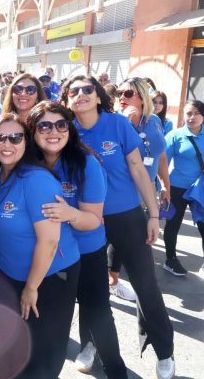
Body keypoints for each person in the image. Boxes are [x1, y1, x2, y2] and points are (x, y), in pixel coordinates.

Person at [62, 75, 176, 379]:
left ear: (99, 96)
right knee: (91, 289)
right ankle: (90, 344)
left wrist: (153, 215)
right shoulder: (65, 129)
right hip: (87, 218)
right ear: (67, 99)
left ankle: (165, 351)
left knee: (145, 285)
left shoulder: (118, 124)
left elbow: (138, 168)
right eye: (74, 91)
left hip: (126, 215)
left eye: (87, 89)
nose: (81, 94)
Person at [27, 102, 127, 378]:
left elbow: (93, 219)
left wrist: (70, 214)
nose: (53, 131)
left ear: (69, 129)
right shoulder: (27, 163)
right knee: (51, 321)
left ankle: (117, 371)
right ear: (33, 131)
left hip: (86, 251)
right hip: (48, 254)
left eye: (61, 124)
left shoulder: (86, 163)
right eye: (44, 125)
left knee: (98, 314)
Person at [0, 112, 80, 378]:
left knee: (41, 356)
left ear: (27, 141)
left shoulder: (37, 180)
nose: (7, 144)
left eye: (15, 137)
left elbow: (49, 240)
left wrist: (31, 287)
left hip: (47, 279)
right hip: (10, 274)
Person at [114, 78, 170, 280]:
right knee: (127, 240)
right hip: (123, 193)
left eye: (128, 93)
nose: (122, 97)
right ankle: (113, 277)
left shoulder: (154, 120)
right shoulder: (116, 121)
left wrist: (166, 185)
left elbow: (161, 155)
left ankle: (114, 276)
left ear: (142, 96)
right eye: (119, 93)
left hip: (148, 191)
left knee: (136, 239)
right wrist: (124, 122)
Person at [164, 100, 204, 276]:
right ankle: (170, 260)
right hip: (177, 188)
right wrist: (164, 189)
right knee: (172, 224)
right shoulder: (175, 135)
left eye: (197, 113)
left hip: (200, 190)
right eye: (188, 113)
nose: (192, 117)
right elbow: (162, 164)